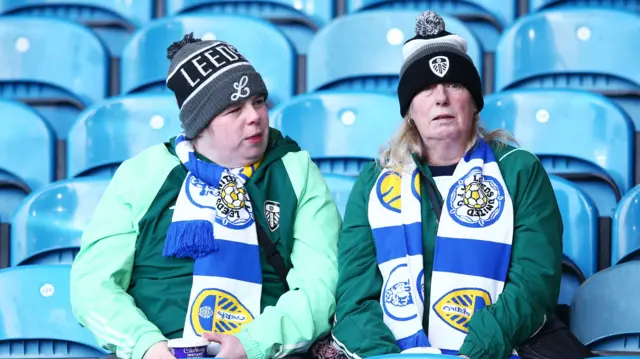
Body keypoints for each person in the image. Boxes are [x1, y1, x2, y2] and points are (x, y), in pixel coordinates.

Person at [70, 33, 341, 359]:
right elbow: (91, 286)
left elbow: (320, 288)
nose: (254, 116)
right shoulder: (143, 174)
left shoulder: (295, 171)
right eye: (234, 109)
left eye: (258, 102)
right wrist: (146, 346)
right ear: (199, 125)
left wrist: (252, 343)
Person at [330, 11, 563, 359]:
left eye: (455, 84)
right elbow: (355, 298)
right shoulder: (373, 182)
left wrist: (475, 352)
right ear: (409, 108)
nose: (441, 97)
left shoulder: (519, 171)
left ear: (474, 101)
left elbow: (533, 286)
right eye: (425, 87)